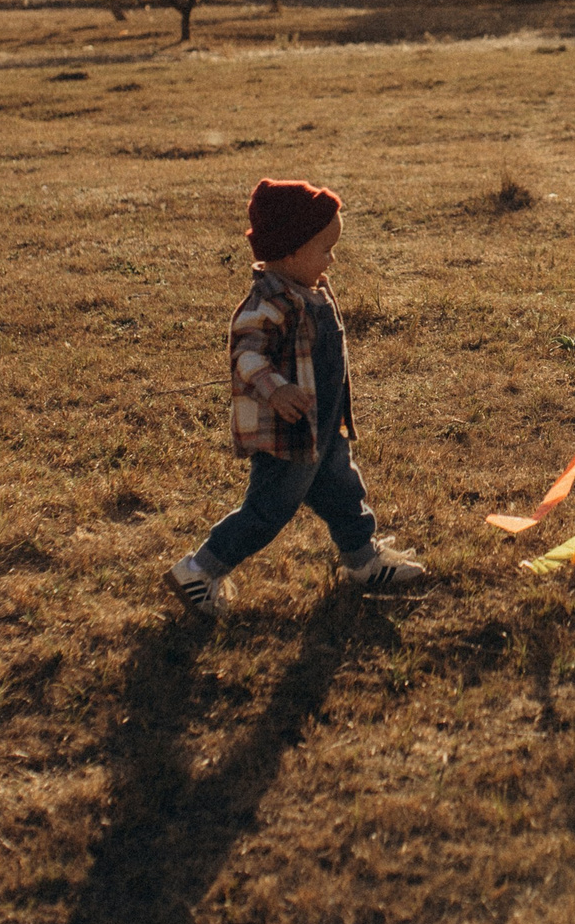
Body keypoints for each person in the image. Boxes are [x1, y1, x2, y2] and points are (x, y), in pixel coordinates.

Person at [164, 179, 422, 617]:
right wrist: (275, 388)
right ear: (288, 252)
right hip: (288, 437)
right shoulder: (269, 302)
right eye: (325, 249)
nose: (332, 259)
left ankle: (362, 561)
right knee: (267, 511)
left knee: (344, 491)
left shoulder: (311, 289)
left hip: (323, 426)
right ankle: (199, 570)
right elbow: (245, 354)